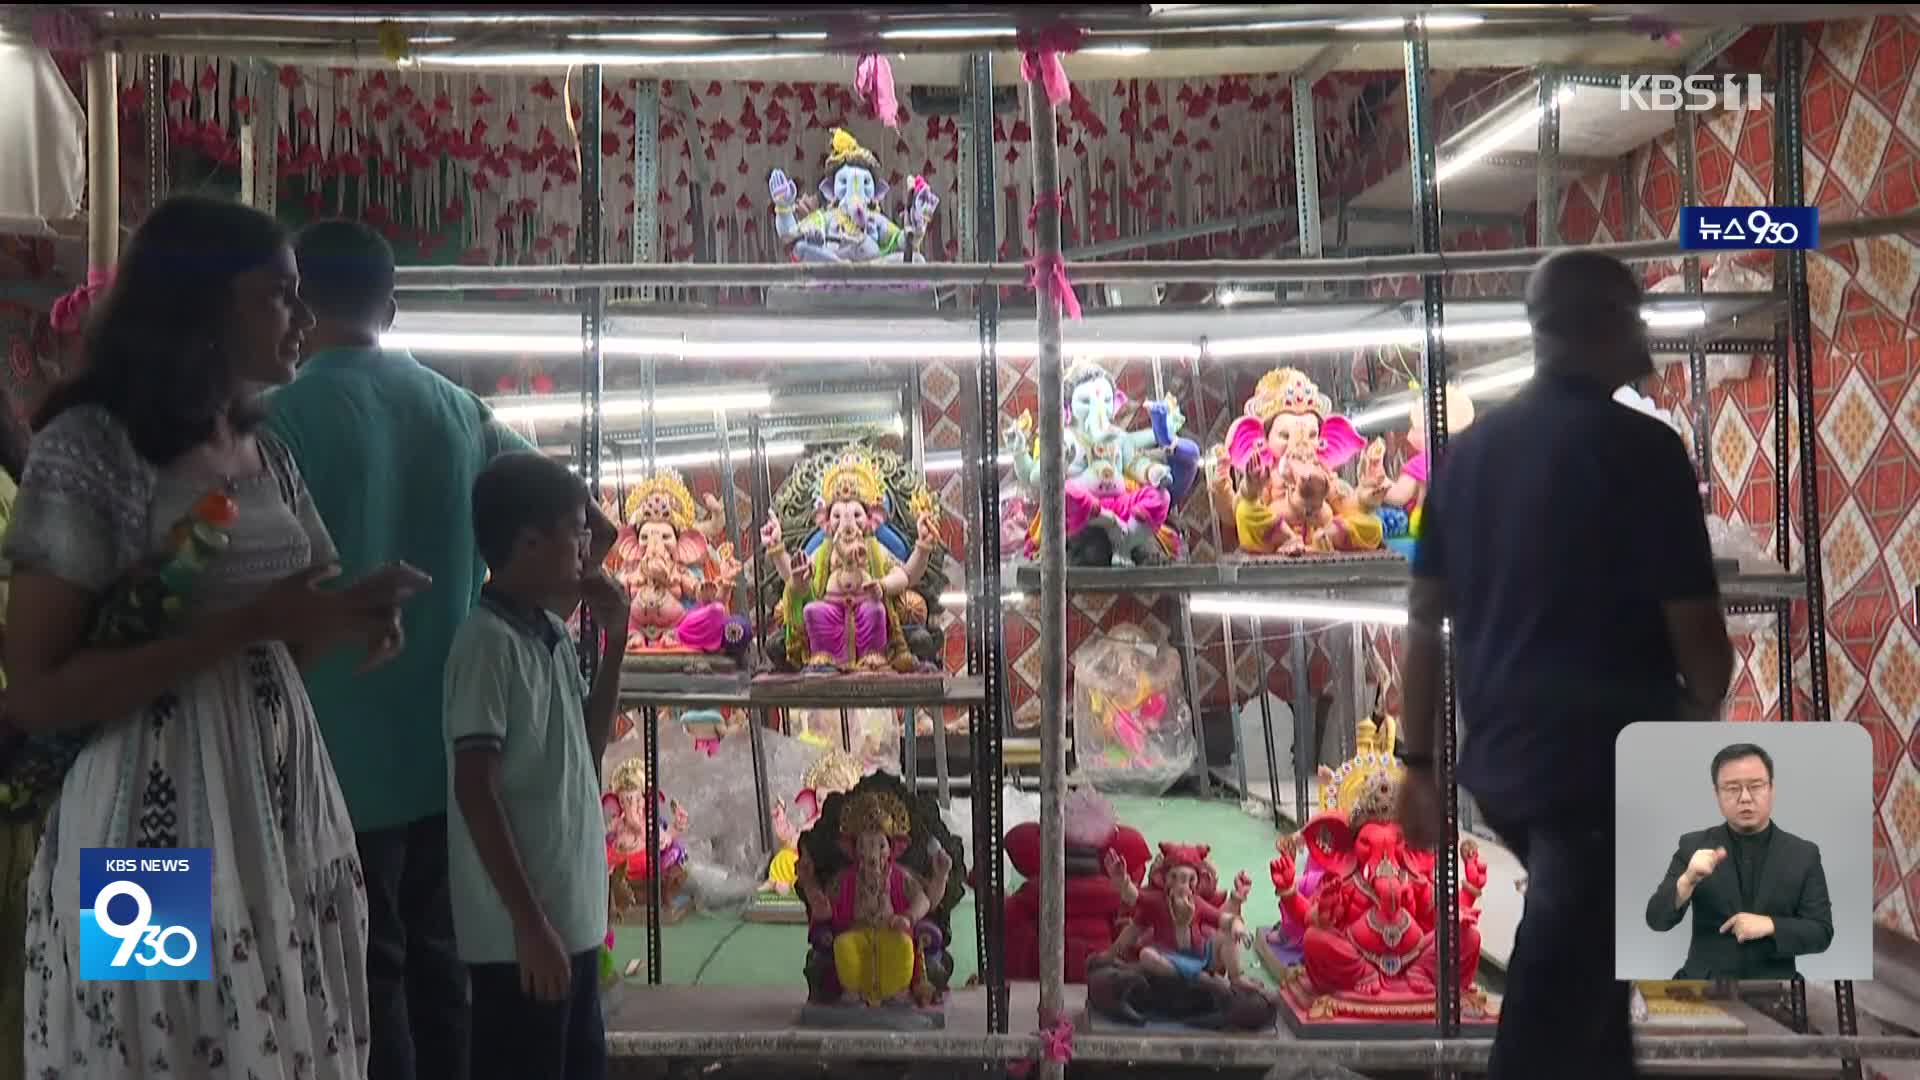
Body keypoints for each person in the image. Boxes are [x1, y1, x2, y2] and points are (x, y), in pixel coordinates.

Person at [3, 195, 433, 1078]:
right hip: (147, 815)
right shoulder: (92, 446)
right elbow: (38, 688)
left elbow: (292, 627)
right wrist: (253, 626)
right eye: (279, 294)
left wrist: (343, 616)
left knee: (277, 1033)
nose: (304, 318)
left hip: (272, 803)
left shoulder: (259, 446)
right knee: (163, 1041)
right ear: (203, 304)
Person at [265, 220, 613, 1080]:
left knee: (364, 983)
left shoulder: (275, 418)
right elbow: (588, 521)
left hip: (332, 763)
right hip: (458, 763)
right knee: (446, 980)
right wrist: (527, 614)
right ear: (393, 303)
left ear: (300, 303)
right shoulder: (459, 411)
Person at [1394, 249, 1735, 1079]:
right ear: (1606, 324)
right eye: (1636, 316)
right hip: (1602, 779)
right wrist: (1694, 724)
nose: (1648, 337)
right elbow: (1702, 644)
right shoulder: (1644, 453)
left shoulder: (1467, 457)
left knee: (1590, 997)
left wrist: (1418, 765)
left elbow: (1423, 619)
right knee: (1554, 1008)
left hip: (1505, 769)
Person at [445, 451, 628, 1080]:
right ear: (527, 542)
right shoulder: (487, 644)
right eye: (575, 533)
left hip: (568, 924)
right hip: (522, 938)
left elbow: (590, 741)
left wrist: (617, 637)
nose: (588, 548)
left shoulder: (546, 633)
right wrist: (528, 922)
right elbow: (475, 787)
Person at [1644, 742, 1833, 979]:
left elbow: (1821, 932)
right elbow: (1656, 920)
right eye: (1732, 788)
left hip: (1777, 990)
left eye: (1755, 786)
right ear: (1717, 794)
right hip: (1703, 987)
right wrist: (1687, 880)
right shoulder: (1693, 846)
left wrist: (1770, 925)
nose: (1745, 798)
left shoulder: (1804, 853)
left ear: (1772, 788)